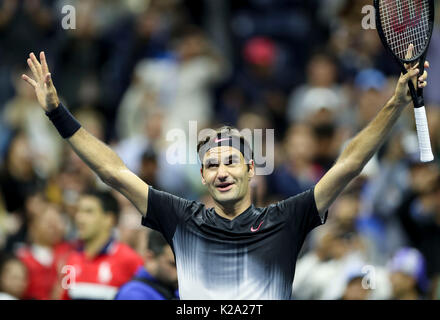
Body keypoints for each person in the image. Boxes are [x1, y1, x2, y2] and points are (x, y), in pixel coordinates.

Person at [21, 46, 429, 299]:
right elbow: (112, 171)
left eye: (230, 161)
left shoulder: (286, 219)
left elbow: (349, 163)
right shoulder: (181, 219)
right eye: (211, 165)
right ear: (203, 176)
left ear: (251, 169)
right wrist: (58, 113)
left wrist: (394, 103)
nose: (220, 171)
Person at [59, 190, 143, 300]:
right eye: (78, 211)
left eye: (88, 212)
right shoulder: (71, 259)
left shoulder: (130, 260)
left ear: (109, 219)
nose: (79, 218)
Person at [115, 230, 178, 300]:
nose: (179, 273)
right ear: (150, 258)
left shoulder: (174, 289)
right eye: (173, 265)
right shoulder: (133, 295)